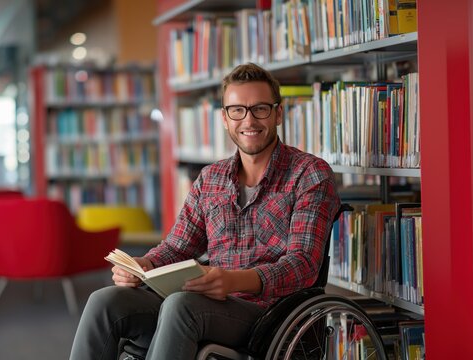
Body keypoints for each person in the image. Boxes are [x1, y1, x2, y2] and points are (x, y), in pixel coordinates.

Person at [69, 63, 341, 360]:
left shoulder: (310, 174)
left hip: (272, 315)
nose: (248, 120)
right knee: (105, 301)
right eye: (237, 110)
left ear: (277, 113)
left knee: (181, 305)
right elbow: (177, 247)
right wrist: (144, 265)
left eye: (260, 109)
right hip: (207, 306)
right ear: (225, 118)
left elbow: (302, 265)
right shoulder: (211, 178)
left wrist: (234, 280)